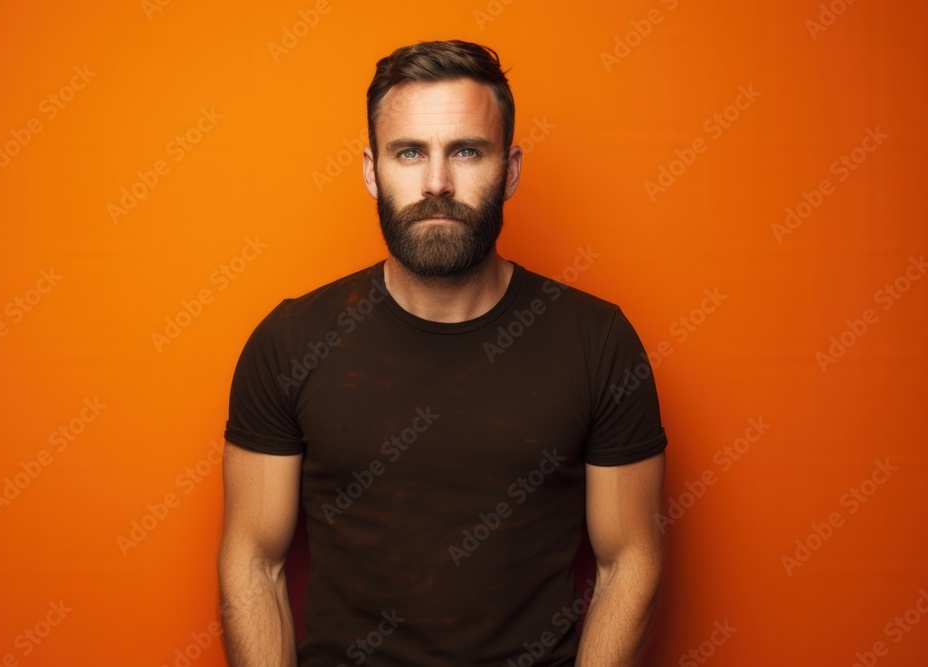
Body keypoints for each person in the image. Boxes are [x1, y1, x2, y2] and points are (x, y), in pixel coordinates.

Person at [217, 39, 667, 667]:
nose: (437, 183)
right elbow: (253, 564)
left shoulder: (598, 341)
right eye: (409, 152)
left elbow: (630, 563)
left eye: (466, 150)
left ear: (509, 169)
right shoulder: (290, 341)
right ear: (373, 171)